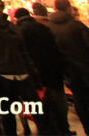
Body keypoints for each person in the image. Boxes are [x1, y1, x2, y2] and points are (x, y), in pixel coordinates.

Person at [0, 0, 52, 136]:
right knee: (8, 115)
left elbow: (22, 51)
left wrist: (32, 73)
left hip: (21, 73)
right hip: (3, 75)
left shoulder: (10, 26)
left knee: (38, 112)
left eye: (0, 6)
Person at [14, 7, 68, 135]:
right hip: (53, 70)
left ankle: (47, 128)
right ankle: (63, 128)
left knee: (40, 103)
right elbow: (55, 49)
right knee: (58, 100)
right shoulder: (43, 28)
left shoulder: (18, 32)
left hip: (36, 73)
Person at [46, 0, 89, 134]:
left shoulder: (49, 28)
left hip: (68, 71)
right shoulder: (76, 25)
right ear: (69, 7)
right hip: (84, 67)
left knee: (80, 101)